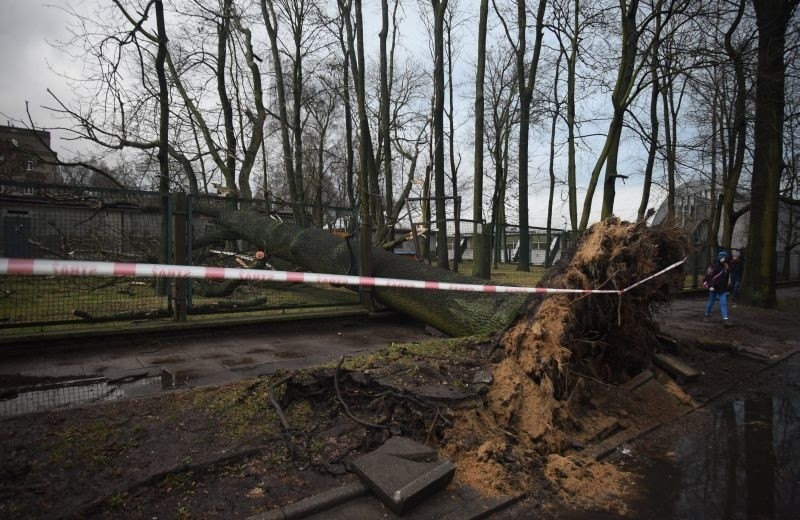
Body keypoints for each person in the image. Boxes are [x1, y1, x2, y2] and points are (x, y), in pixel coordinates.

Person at [703, 251, 732, 326]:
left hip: (722, 288)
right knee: (711, 303)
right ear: (719, 257)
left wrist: (727, 288)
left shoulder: (726, 266)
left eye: (725, 258)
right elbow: (708, 277)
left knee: (723, 304)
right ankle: (707, 315)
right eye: (722, 257)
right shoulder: (713, 266)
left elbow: (726, 277)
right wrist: (711, 286)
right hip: (714, 288)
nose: (723, 259)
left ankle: (726, 320)